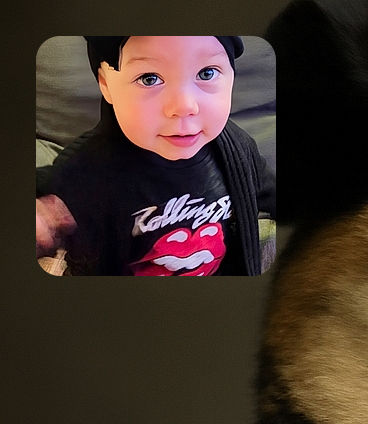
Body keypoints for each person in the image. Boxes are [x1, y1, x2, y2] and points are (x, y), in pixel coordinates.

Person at [36, 36, 275, 276]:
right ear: (106, 85)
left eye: (207, 73)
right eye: (149, 79)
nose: (184, 106)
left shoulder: (238, 149)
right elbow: (44, 197)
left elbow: (271, 194)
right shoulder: (87, 167)